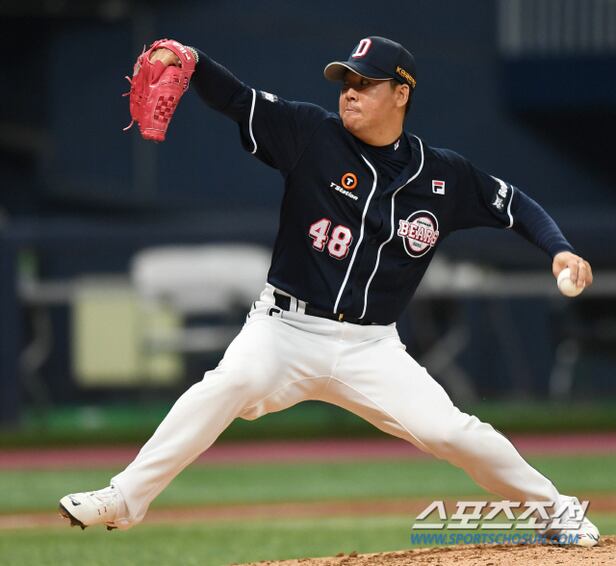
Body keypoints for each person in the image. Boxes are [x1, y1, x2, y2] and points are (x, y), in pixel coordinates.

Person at [59, 36, 599, 547]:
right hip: (284, 330)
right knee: (225, 385)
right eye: (346, 81)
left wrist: (559, 248)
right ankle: (124, 498)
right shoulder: (310, 134)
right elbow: (238, 99)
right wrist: (193, 60)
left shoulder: (442, 176)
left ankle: (557, 512)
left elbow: (515, 204)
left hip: (371, 347)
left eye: (365, 83)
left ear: (401, 94)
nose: (349, 92)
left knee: (454, 433)